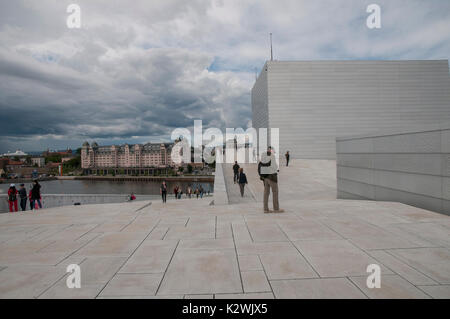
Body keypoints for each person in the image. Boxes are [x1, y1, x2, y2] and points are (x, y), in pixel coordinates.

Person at [258, 146, 284, 214]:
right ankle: (276, 209)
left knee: (266, 193)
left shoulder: (263, 156)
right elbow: (274, 166)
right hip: (272, 177)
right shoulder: (272, 156)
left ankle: (265, 209)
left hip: (265, 177)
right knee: (275, 192)